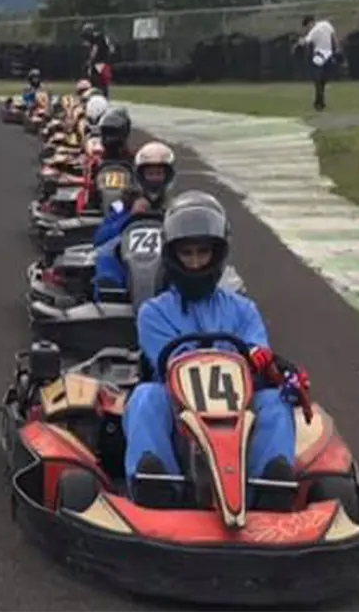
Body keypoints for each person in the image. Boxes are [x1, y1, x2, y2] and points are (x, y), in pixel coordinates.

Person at [123, 191, 310, 509]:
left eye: (203, 252)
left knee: (275, 401)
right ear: (172, 255)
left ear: (218, 254)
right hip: (178, 412)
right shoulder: (153, 312)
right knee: (145, 397)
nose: (196, 263)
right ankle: (157, 485)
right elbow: (168, 361)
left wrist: (262, 358)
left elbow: (257, 347)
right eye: (187, 253)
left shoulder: (243, 310)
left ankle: (269, 488)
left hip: (237, 411)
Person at [92, 142, 176, 293]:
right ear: (141, 176)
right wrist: (130, 215)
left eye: (159, 173)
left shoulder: (174, 207)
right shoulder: (123, 203)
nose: (154, 179)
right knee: (104, 253)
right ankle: (110, 289)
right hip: (127, 250)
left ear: (167, 176)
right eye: (150, 174)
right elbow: (100, 237)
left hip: (164, 252)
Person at [297, 15, 341, 111]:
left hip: (319, 55)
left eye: (307, 26)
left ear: (310, 23)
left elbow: (305, 42)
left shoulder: (313, 31)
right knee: (323, 80)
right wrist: (337, 47)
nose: (308, 29)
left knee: (317, 78)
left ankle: (319, 100)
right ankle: (320, 99)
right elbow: (333, 35)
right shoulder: (326, 24)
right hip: (329, 54)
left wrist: (299, 42)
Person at [81, 22, 114, 98]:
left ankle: (99, 95)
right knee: (101, 81)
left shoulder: (98, 38)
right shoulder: (101, 38)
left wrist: (90, 61)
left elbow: (95, 50)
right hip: (103, 62)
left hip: (99, 63)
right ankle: (103, 96)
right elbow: (111, 49)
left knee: (96, 80)